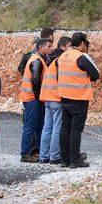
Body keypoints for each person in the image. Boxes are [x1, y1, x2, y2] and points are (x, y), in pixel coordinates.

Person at [57, 32, 100, 168]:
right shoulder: (80, 57)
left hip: (64, 96)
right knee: (76, 129)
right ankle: (75, 160)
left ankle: (64, 159)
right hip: (79, 97)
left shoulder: (63, 56)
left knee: (65, 128)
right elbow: (95, 74)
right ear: (81, 43)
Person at [37, 36, 73, 164]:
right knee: (57, 127)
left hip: (46, 97)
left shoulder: (50, 61)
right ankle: (54, 156)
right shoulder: (59, 61)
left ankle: (43, 156)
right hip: (56, 99)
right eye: (69, 46)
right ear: (63, 47)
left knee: (47, 128)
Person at [19, 38, 53, 162]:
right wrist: (40, 97)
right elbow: (36, 80)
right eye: (49, 46)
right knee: (30, 127)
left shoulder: (38, 60)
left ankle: (40, 151)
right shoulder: (37, 61)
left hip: (33, 98)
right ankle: (25, 154)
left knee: (39, 126)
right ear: (40, 47)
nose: (51, 48)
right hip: (33, 99)